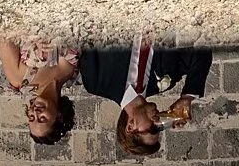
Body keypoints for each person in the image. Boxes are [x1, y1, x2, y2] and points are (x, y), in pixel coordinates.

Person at [76, 35, 212, 157]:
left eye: (152, 128)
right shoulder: (168, 81)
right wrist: (187, 97)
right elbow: (202, 53)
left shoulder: (96, 81)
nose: (158, 122)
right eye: (159, 127)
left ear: (130, 127)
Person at [0, 30, 79, 145]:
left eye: (31, 117)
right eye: (42, 119)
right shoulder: (72, 73)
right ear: (59, 117)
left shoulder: (19, 79)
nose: (36, 112)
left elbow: (2, 32)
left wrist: (31, 36)